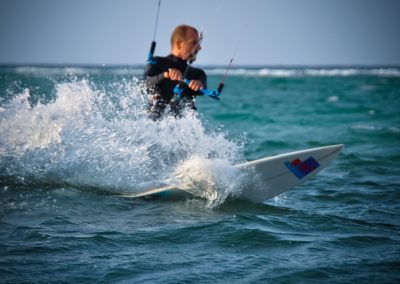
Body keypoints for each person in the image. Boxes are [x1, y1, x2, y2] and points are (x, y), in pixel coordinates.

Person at [144, 24, 207, 119]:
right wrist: (165, 75)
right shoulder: (157, 63)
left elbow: (203, 90)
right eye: (194, 42)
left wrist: (198, 84)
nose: (199, 47)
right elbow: (145, 85)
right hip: (156, 126)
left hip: (183, 130)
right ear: (178, 43)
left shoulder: (197, 74)